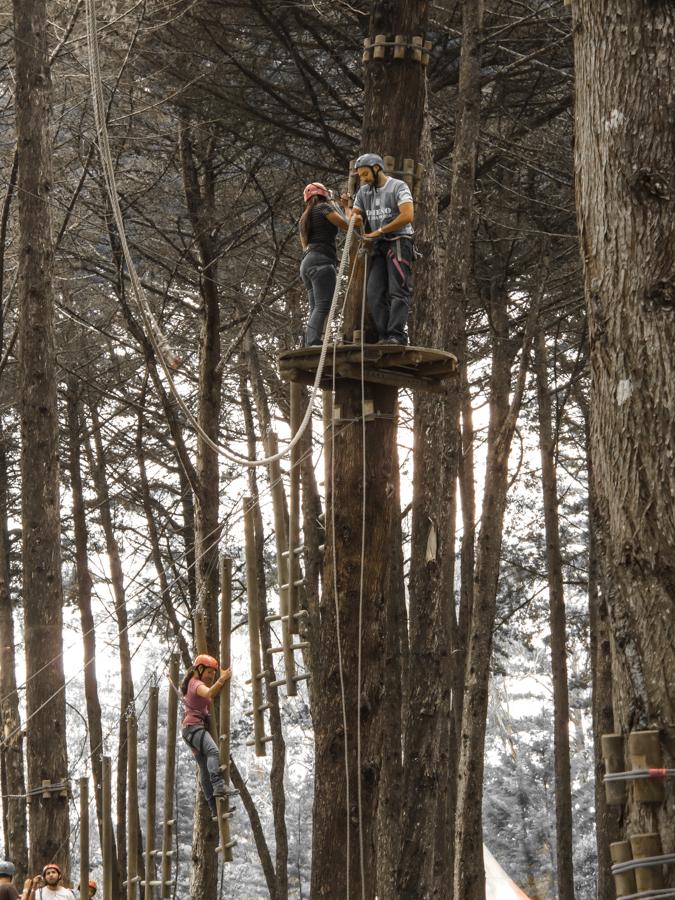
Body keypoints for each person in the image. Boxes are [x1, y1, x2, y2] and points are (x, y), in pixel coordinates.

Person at [350, 153, 415, 345]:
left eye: (365, 174)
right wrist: (348, 210)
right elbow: (356, 217)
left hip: (399, 241)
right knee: (374, 291)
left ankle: (397, 335)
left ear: (377, 168)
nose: (363, 178)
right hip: (379, 245)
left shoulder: (398, 186)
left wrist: (380, 230)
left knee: (398, 289)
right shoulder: (363, 192)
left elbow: (407, 215)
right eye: (360, 175)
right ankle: (385, 335)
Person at [181, 654, 232, 817]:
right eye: (210, 672)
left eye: (214, 673)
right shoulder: (195, 683)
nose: (212, 676)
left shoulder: (194, 684)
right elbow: (210, 693)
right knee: (214, 752)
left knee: (204, 769)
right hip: (193, 728)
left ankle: (213, 809)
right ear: (200, 669)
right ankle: (218, 784)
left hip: (190, 730)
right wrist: (223, 679)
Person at [299, 182, 349, 346]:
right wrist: (347, 207)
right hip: (321, 261)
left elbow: (305, 244)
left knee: (314, 306)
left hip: (307, 262)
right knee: (322, 305)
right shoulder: (323, 208)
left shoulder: (304, 218)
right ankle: (312, 340)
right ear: (324, 195)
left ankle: (309, 340)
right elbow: (346, 224)